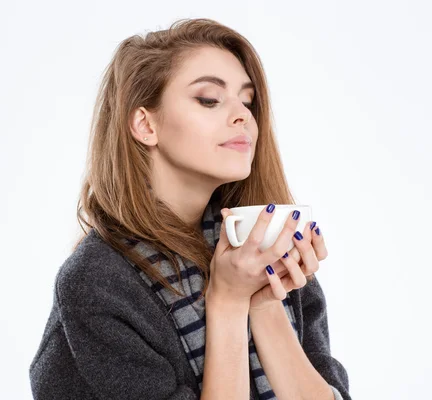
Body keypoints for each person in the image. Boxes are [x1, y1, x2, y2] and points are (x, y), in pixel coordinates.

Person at [29, 17, 350, 400]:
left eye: (247, 101)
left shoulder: (263, 245)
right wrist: (229, 304)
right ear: (146, 125)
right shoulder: (97, 282)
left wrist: (264, 302)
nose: (243, 116)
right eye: (209, 100)